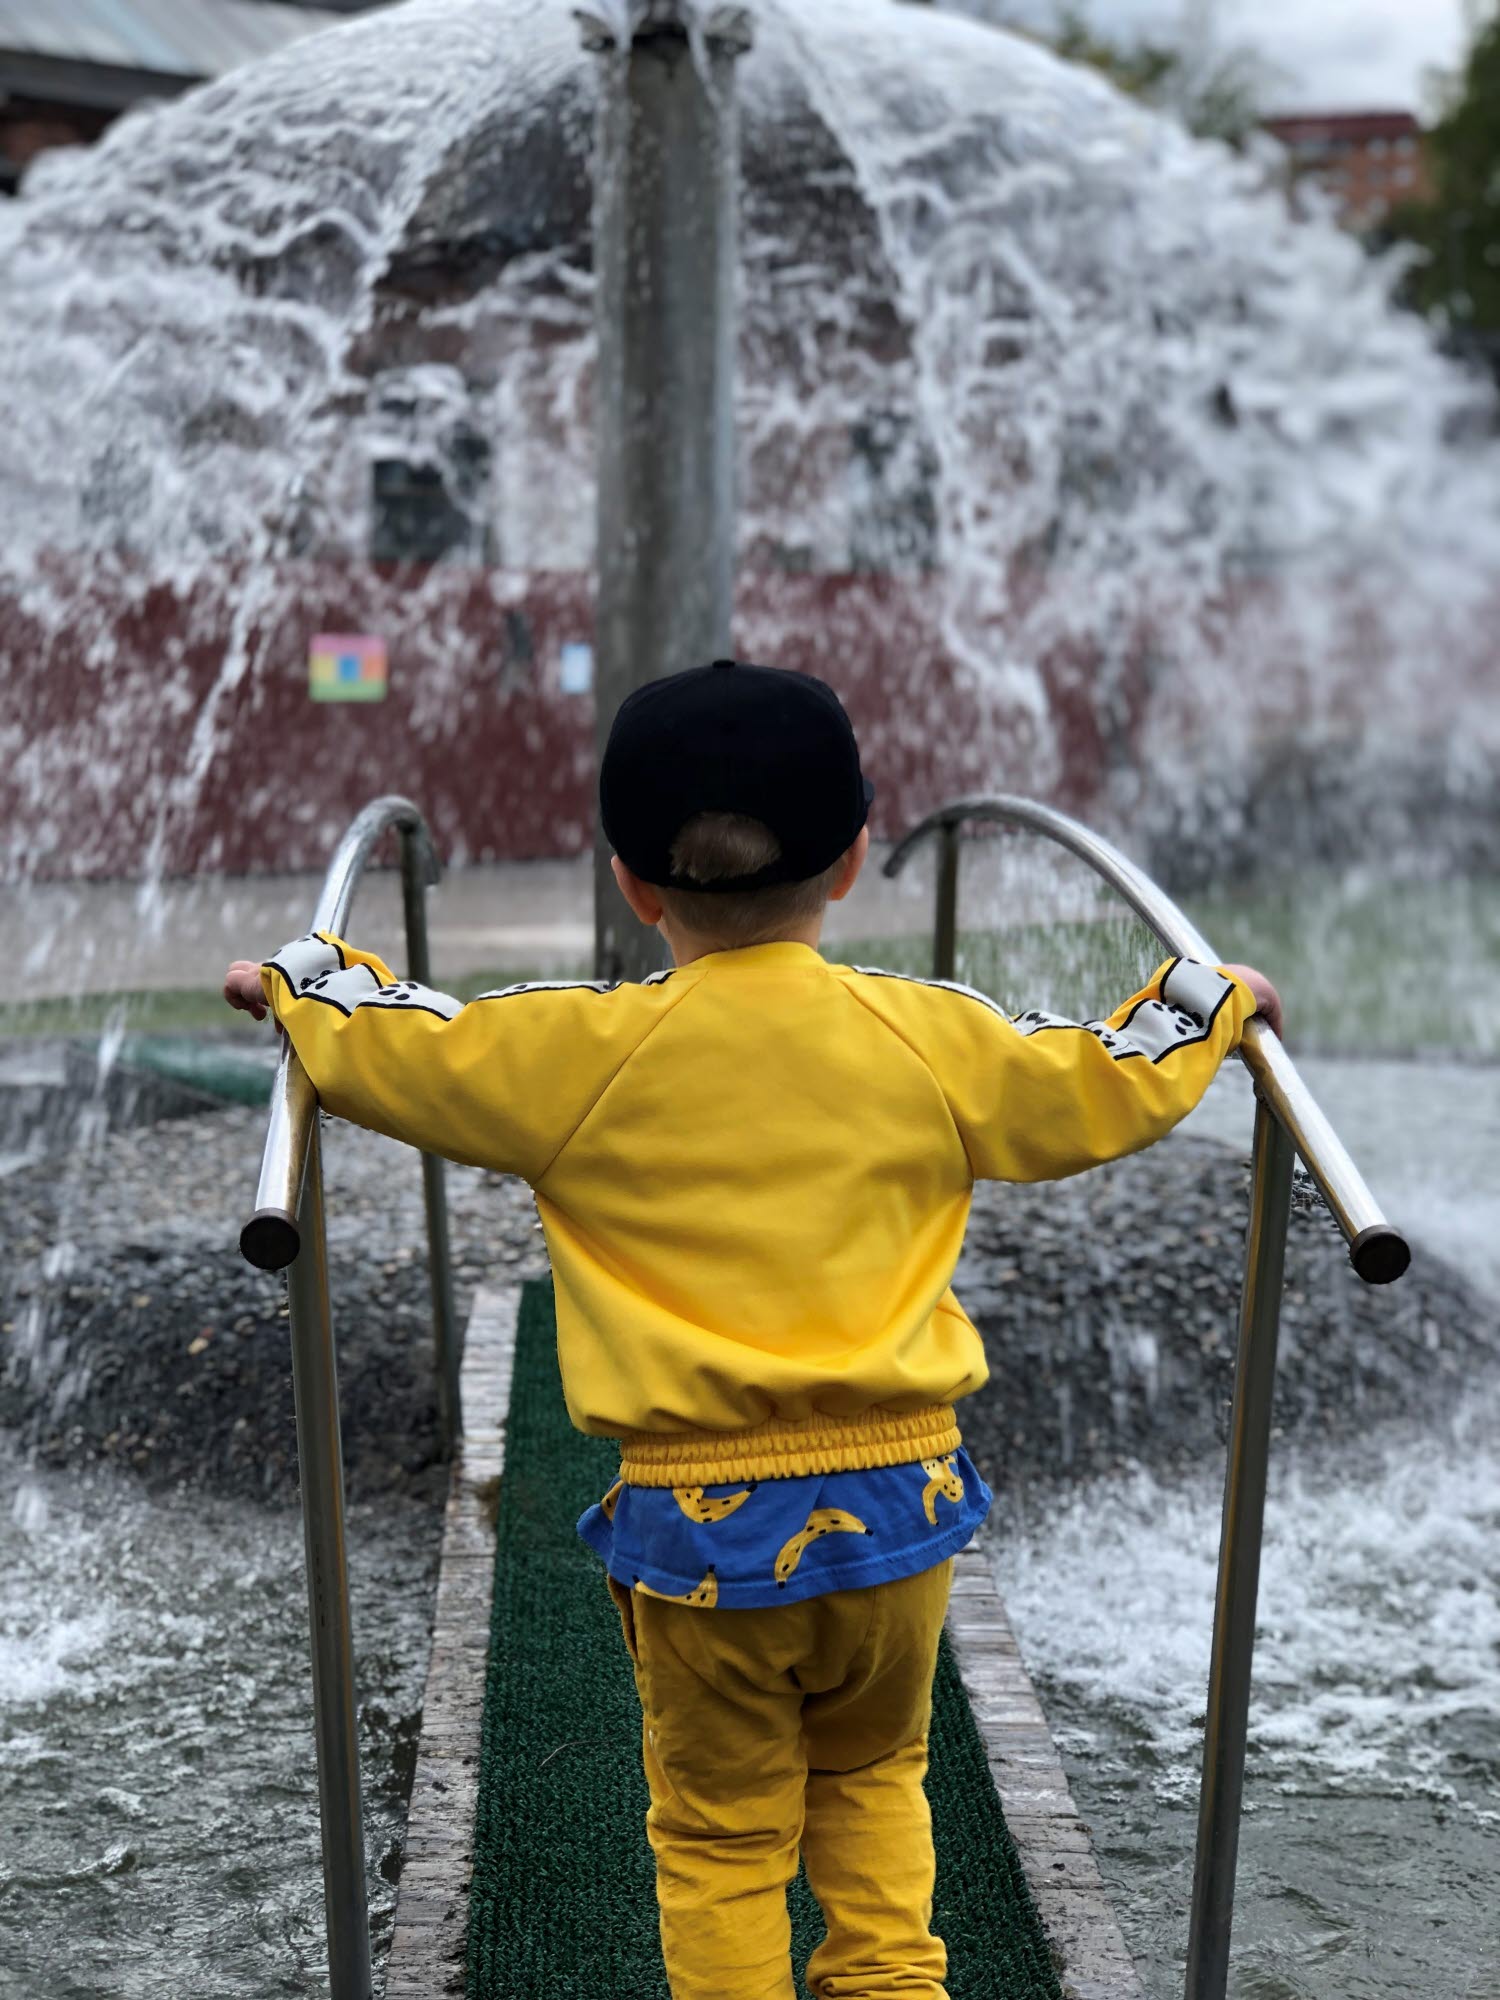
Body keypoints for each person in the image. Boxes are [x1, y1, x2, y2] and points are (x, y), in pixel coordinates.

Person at [223, 657, 1281, 2000]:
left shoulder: (579, 1055)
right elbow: (1098, 1085)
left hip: (707, 1523)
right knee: (877, 1785)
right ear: (848, 866)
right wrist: (1206, 1004)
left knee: (722, 1841)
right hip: (904, 1502)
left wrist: (308, 982)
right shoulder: (927, 1035)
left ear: (631, 882)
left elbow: (405, 1048)